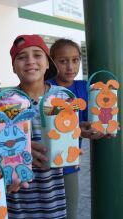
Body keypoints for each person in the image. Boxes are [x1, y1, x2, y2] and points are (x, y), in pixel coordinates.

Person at [7, 34, 68, 219]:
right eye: (21, 57)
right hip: (18, 198)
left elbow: (68, 135)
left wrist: (71, 149)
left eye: (37, 55)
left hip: (53, 197)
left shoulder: (62, 98)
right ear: (13, 67)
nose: (30, 61)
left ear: (48, 63)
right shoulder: (6, 102)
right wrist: (20, 152)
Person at [48, 38, 109, 219]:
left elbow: (90, 121)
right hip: (44, 166)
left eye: (75, 60)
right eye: (63, 61)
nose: (70, 66)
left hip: (69, 165)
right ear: (52, 62)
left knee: (70, 211)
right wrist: (77, 129)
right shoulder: (47, 89)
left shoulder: (84, 88)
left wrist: (101, 127)